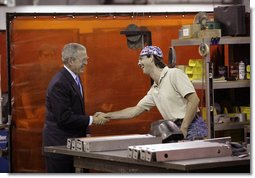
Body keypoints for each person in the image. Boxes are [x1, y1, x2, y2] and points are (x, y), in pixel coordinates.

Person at [98, 46, 207, 141]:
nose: (138, 63)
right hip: (175, 128)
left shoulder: (174, 74)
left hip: (192, 126)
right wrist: (108, 115)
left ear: (151, 58)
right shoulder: (154, 89)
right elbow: (134, 111)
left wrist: (184, 127)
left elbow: (194, 100)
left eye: (141, 59)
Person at [42, 43, 109, 173]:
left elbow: (78, 110)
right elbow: (64, 117)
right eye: (83, 59)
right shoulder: (60, 83)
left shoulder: (75, 78)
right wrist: (92, 120)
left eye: (86, 59)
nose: (86, 63)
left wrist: (86, 131)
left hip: (74, 145)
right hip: (60, 147)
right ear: (71, 61)